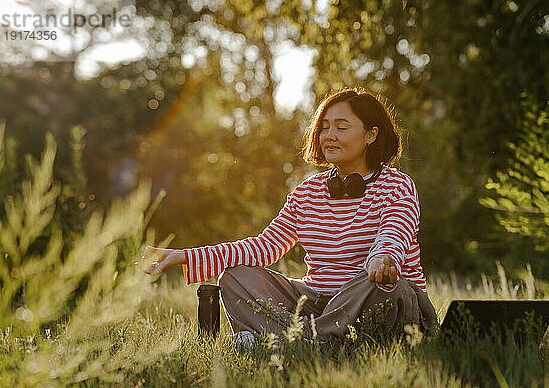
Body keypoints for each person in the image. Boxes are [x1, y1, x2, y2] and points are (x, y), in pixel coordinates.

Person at [139, 87, 437, 346]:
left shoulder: (397, 185)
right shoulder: (306, 192)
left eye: (341, 127)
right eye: (324, 127)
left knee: (386, 285)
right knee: (235, 276)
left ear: (371, 134)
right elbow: (263, 247)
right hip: (317, 302)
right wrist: (184, 256)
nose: (328, 136)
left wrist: (382, 260)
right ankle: (317, 338)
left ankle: (291, 338)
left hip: (368, 297)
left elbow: (393, 235)